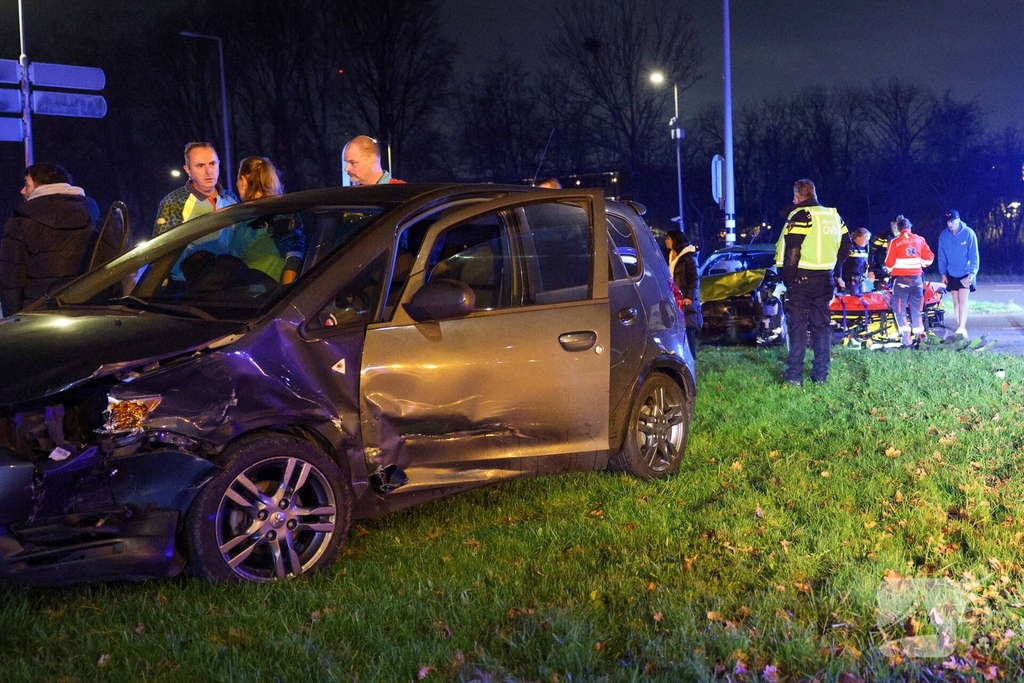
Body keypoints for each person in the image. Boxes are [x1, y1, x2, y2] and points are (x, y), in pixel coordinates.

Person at [774, 179, 851, 386]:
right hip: (824, 279)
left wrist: (789, 279)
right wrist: (833, 269)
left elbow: (792, 251)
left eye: (794, 196)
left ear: (798, 196)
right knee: (821, 327)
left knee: (797, 327)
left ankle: (794, 377)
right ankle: (820, 376)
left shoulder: (801, 215)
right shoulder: (834, 216)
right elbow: (846, 247)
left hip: (801, 279)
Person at [0, 163, 100, 316]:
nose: (22, 190)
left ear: (41, 187)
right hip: (85, 312)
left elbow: (11, 281)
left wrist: (12, 320)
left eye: (26, 184)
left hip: (36, 315)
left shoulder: (20, 223)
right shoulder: (93, 217)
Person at [230, 156, 305, 284]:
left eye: (237, 178)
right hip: (247, 295)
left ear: (243, 180)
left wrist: (285, 295)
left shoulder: (277, 215)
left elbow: (294, 258)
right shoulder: (248, 215)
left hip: (269, 297)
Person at [153, 142, 238, 238]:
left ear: (218, 164)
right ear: (188, 170)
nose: (209, 171)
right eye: (200, 166)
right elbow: (161, 245)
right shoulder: (173, 202)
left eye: (212, 164)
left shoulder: (231, 198)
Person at [884, 215, 934, 347]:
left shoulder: (894, 242)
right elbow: (929, 259)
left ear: (899, 228)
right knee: (916, 310)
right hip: (917, 281)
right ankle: (920, 339)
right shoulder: (920, 239)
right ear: (910, 227)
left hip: (900, 281)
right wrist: (919, 263)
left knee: (899, 310)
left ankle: (907, 341)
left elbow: (888, 264)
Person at [937, 209, 980, 338]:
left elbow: (974, 256)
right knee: (955, 300)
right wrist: (943, 273)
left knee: (963, 299)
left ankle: (962, 327)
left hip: (966, 272)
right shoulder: (944, 236)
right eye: (948, 222)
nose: (950, 224)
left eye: (952, 221)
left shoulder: (968, 233)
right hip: (951, 272)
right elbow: (941, 256)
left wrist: (972, 274)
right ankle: (959, 326)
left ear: (958, 220)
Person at [665, 229, 702, 354]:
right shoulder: (669, 255)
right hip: (673, 297)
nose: (666, 241)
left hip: (685, 299)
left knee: (688, 329)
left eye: (668, 238)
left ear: (675, 240)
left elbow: (694, 279)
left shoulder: (689, 257)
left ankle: (691, 357)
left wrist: (689, 297)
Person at [836, 227, 871, 295]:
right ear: (858, 237)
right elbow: (839, 263)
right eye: (865, 239)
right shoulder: (849, 247)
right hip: (849, 282)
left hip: (861, 282)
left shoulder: (865, 249)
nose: (867, 242)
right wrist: (839, 278)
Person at [868, 218, 899, 283]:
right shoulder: (881, 236)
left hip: (897, 271)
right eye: (896, 226)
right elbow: (871, 253)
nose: (897, 229)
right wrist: (871, 270)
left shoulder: (902, 238)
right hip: (881, 270)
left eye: (899, 227)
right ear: (892, 224)